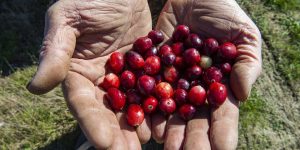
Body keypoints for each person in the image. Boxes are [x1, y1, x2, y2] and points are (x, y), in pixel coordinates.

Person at [26, 0, 262, 149]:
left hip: (182, 14)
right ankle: (98, 138)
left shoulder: (183, 70)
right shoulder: (155, 72)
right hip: (125, 18)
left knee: (165, 128)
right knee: (107, 120)